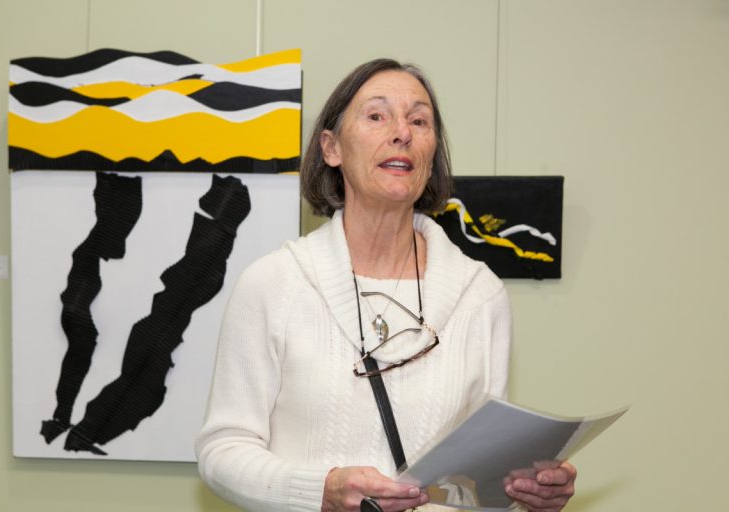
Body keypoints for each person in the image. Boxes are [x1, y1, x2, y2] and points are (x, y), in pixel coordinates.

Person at [196, 58, 577, 512]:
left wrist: (527, 495)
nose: (402, 132)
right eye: (377, 116)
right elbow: (222, 452)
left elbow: (480, 483)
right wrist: (322, 491)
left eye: (419, 120)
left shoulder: (480, 294)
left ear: (431, 153)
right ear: (331, 148)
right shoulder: (274, 283)